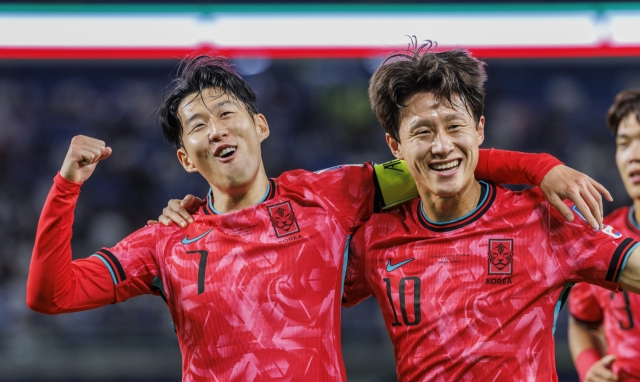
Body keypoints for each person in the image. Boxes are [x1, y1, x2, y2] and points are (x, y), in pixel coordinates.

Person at [28, 54, 608, 381]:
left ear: (261, 126)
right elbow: (51, 296)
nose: (217, 129)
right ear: (185, 157)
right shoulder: (165, 240)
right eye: (198, 126)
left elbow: (436, 160)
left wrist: (541, 169)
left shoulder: (330, 195)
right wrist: (66, 188)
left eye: (228, 113)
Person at [336, 43, 640, 381]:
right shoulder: (375, 240)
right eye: (423, 131)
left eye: (455, 126)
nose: (441, 146)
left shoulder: (545, 220)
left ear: (479, 129)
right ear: (395, 146)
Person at [568, 89, 640, 382]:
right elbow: (582, 323)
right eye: (624, 144)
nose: (633, 156)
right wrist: (589, 367)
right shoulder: (599, 237)